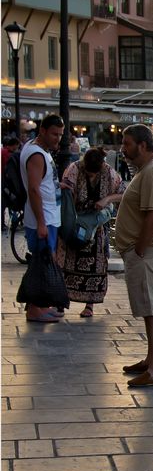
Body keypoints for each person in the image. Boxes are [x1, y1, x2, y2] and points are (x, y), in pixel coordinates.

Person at [115, 124, 153, 388]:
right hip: (143, 251)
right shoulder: (146, 171)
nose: (123, 149)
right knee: (149, 308)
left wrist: (139, 249)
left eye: (127, 144)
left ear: (144, 145)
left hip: (147, 252)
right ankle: (151, 360)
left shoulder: (151, 172)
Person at [57, 147, 126, 317]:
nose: (92, 176)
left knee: (97, 262)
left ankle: (90, 305)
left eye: (95, 173)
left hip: (96, 226)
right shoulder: (73, 169)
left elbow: (124, 193)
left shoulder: (110, 173)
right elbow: (66, 193)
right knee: (64, 260)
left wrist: (107, 199)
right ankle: (60, 301)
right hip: (75, 221)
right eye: (89, 172)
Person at [21, 114, 65, 323]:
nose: (58, 139)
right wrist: (40, 222)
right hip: (44, 217)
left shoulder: (36, 148)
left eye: (61, 135)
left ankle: (40, 306)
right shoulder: (37, 154)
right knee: (42, 263)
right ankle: (35, 309)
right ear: (43, 131)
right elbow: (33, 189)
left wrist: (57, 186)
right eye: (54, 134)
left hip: (47, 216)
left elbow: (41, 184)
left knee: (44, 261)